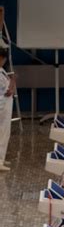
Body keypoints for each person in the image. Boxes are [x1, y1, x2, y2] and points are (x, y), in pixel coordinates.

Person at [0, 39, 15, 172]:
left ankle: (2, 158)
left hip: (5, 108)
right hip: (2, 109)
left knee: (5, 133)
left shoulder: (1, 71)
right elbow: (7, 91)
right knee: (2, 134)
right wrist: (13, 82)